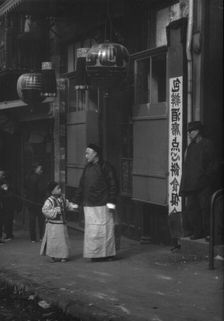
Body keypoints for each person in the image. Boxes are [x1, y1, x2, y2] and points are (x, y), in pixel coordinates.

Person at [73, 143, 119, 261]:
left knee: (106, 231)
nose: (86, 155)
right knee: (93, 232)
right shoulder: (87, 168)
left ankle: (108, 254)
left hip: (104, 204)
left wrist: (111, 202)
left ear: (95, 154)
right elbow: (81, 186)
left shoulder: (106, 167)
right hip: (89, 205)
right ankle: (95, 254)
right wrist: (76, 201)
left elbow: (113, 185)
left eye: (88, 153)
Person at [179, 121, 216, 241]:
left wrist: (206, 177)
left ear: (198, 131)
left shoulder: (208, 144)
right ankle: (197, 232)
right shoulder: (190, 147)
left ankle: (209, 233)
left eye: (192, 131)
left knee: (205, 208)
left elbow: (213, 164)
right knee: (192, 208)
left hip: (204, 183)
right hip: (191, 184)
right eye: (188, 131)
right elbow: (187, 165)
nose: (189, 133)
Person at [40, 181, 77, 263]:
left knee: (63, 241)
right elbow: (44, 210)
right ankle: (53, 256)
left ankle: (64, 256)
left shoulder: (63, 199)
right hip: (53, 225)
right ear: (52, 191)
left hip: (61, 224)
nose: (60, 190)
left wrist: (73, 206)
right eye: (58, 188)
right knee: (53, 241)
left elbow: (67, 205)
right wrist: (55, 211)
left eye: (60, 188)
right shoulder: (49, 201)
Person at [25, 163, 46, 242]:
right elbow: (41, 190)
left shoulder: (27, 177)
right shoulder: (39, 178)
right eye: (40, 169)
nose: (42, 171)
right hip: (38, 202)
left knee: (32, 221)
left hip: (30, 202)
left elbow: (26, 189)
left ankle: (33, 238)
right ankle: (41, 236)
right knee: (40, 221)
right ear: (36, 169)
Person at [0, 170, 16, 242]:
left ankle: (8, 234)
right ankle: (8, 234)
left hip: (6, 204)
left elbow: (7, 192)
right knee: (7, 219)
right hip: (6, 204)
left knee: (7, 219)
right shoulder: (5, 183)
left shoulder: (5, 183)